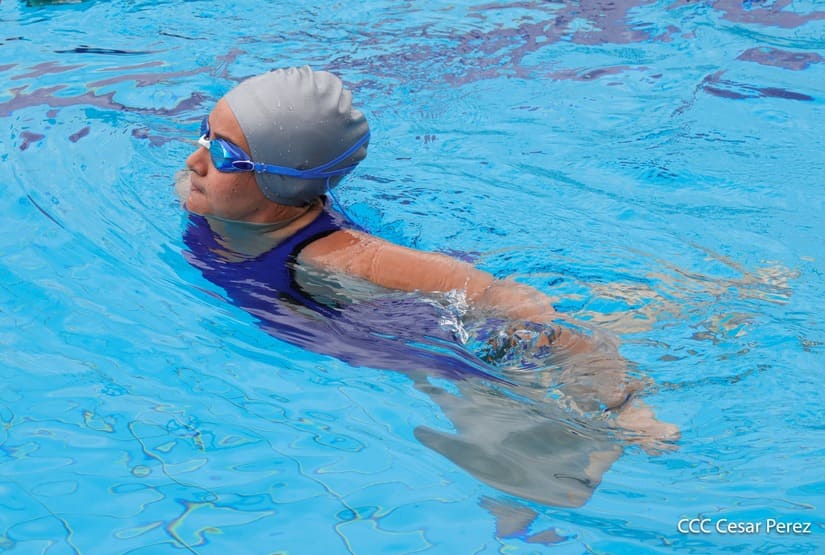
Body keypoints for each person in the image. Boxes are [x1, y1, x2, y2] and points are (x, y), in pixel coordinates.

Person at [176, 66, 678, 503]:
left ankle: (624, 396)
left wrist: (622, 401)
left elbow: (507, 301)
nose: (195, 160)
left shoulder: (342, 256)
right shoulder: (206, 195)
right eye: (204, 134)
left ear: (282, 182)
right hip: (386, 339)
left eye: (222, 153)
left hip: (469, 347)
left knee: (544, 487)